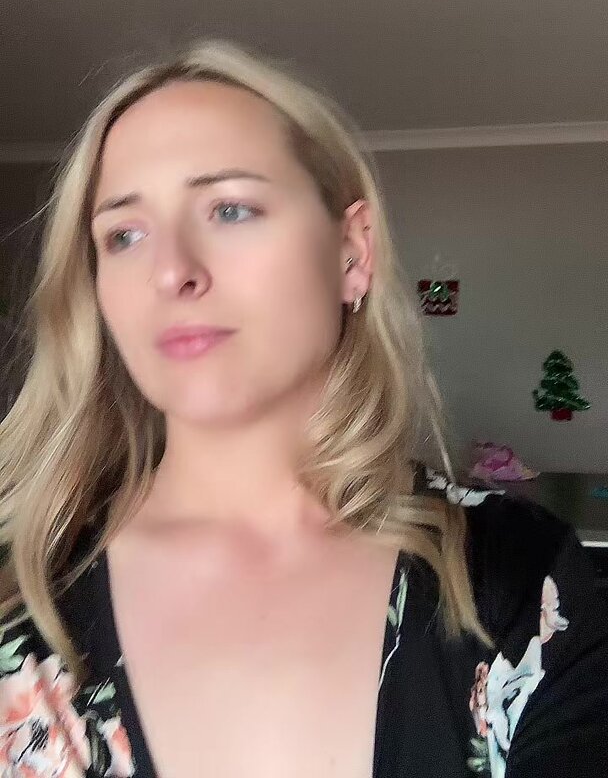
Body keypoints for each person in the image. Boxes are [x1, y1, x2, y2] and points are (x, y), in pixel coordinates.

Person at [0, 39, 605, 778]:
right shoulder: (20, 591)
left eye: (229, 209)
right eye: (124, 235)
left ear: (352, 254)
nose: (170, 271)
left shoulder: (517, 579)